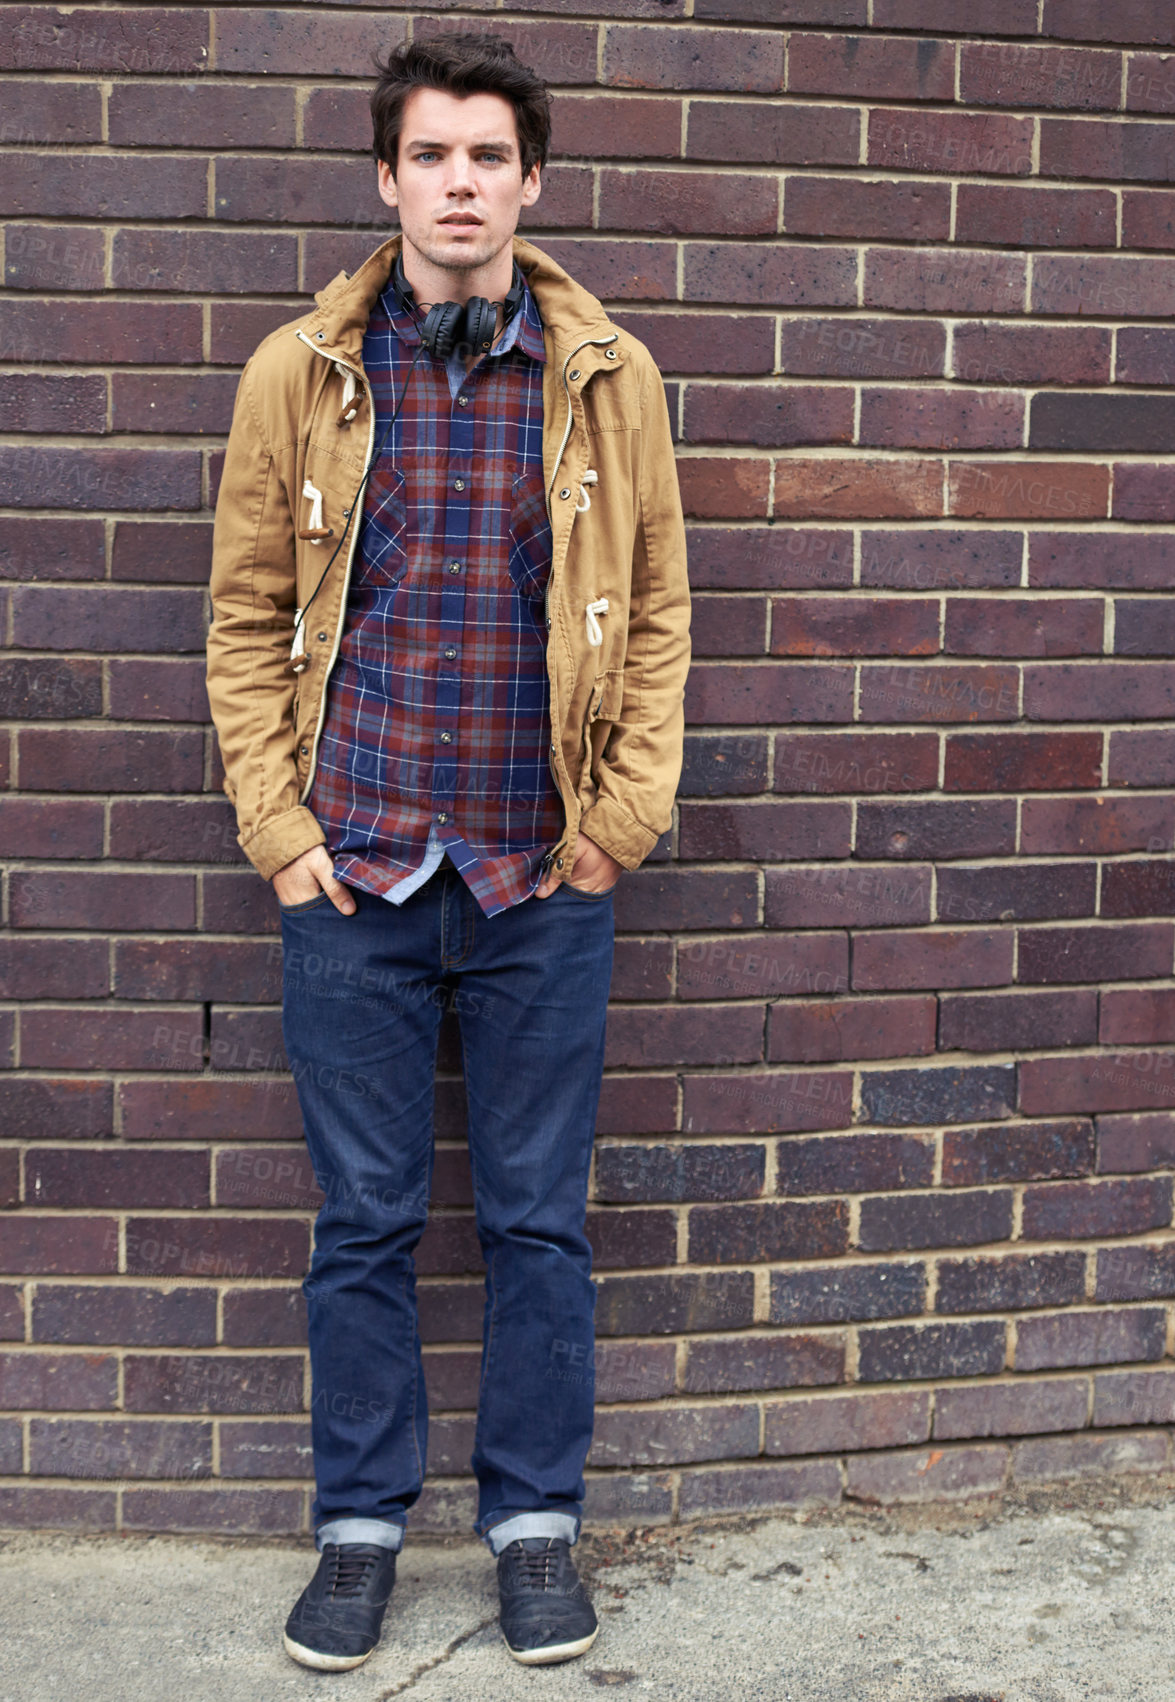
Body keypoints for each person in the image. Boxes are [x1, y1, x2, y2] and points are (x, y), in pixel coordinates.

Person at [205, 30, 691, 1675]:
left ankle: (534, 1525)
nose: (462, 183)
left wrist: (618, 830)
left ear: (531, 178)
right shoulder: (304, 370)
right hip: (353, 876)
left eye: (490, 155)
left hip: (541, 876)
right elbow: (245, 613)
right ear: (388, 177)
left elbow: (665, 611)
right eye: (432, 155)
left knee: (539, 1220)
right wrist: (280, 840)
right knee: (364, 1220)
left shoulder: (609, 373)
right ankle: (358, 1530)